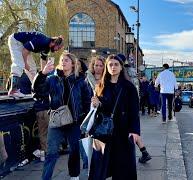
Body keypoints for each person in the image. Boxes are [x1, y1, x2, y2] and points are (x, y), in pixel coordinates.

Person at [32, 52, 91, 180]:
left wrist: (84, 121)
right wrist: (42, 73)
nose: (63, 62)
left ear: (73, 64)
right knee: (51, 152)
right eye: (62, 60)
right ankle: (46, 178)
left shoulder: (80, 81)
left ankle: (74, 176)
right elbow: (37, 89)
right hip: (56, 121)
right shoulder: (52, 79)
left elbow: (87, 101)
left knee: (74, 151)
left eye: (67, 60)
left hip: (75, 121)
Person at [90, 54, 140, 179]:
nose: (113, 67)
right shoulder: (101, 86)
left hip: (122, 132)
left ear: (121, 67)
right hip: (103, 132)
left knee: (122, 167)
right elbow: (99, 110)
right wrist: (96, 104)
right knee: (99, 167)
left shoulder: (129, 87)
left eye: (116, 64)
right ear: (106, 67)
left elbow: (134, 111)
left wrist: (134, 131)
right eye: (110, 64)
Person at [8, 31, 64, 98]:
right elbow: (25, 51)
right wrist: (25, 64)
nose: (57, 50)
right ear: (54, 43)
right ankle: (13, 90)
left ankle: (36, 89)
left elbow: (43, 61)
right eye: (58, 48)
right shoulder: (43, 41)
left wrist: (43, 75)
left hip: (24, 46)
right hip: (16, 40)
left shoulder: (47, 48)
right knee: (19, 64)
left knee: (32, 68)